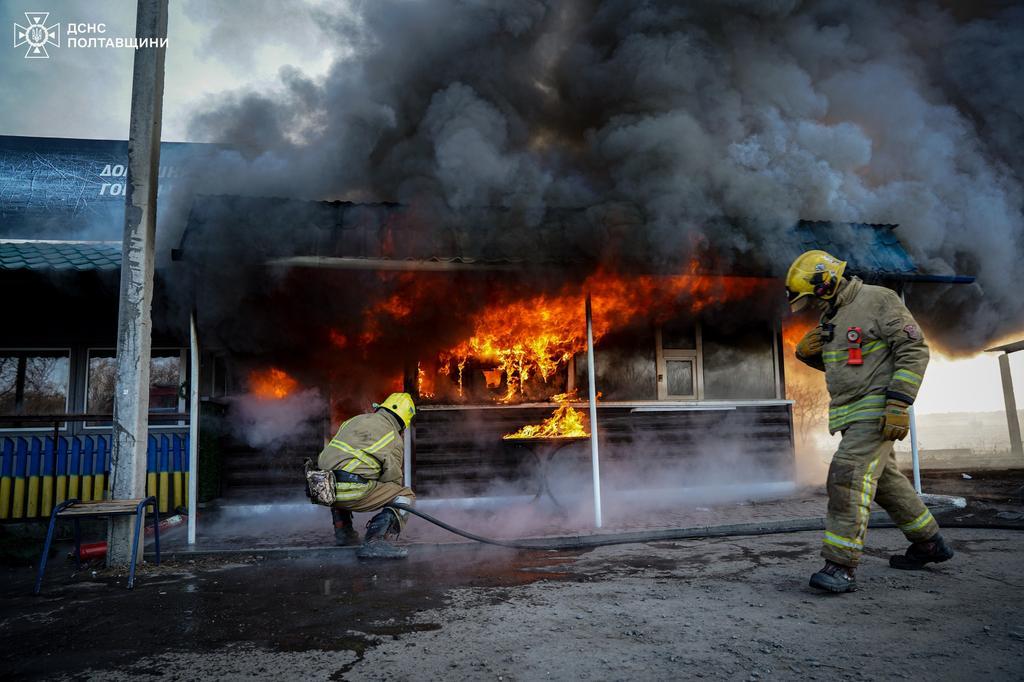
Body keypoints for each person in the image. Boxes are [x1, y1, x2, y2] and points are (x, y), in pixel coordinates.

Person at [786, 250, 954, 593]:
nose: (813, 305)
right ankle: (929, 543)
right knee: (887, 484)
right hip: (851, 414)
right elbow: (846, 366)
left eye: (812, 297)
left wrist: (899, 403)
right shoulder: (833, 316)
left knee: (847, 476)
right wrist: (809, 354)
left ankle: (841, 566)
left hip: (876, 409)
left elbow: (914, 349)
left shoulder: (878, 300)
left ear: (826, 282)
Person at [317, 392, 417, 559]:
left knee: (340, 473)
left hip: (322, 487)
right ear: (403, 421)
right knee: (405, 495)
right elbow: (392, 481)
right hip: (348, 491)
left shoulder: (355, 420)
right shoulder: (393, 437)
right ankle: (375, 542)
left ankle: (344, 532)